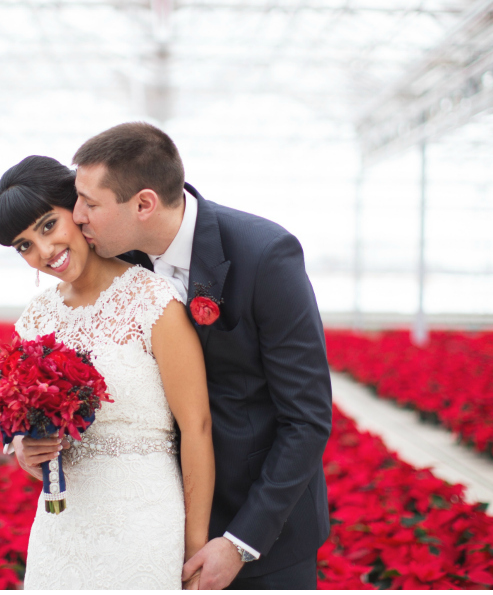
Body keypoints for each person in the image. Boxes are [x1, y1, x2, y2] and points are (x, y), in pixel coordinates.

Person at [50, 121, 334, 589]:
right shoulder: (118, 264)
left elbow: (307, 417)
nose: (76, 216)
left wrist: (241, 540)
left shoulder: (265, 255)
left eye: (89, 203)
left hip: (261, 532)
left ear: (144, 203)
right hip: (152, 528)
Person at [0, 155, 215, 590]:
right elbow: (22, 425)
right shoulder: (35, 318)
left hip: (143, 524)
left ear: (76, 210)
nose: (43, 252)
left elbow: (198, 427)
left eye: (47, 226)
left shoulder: (153, 300)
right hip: (61, 529)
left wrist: (194, 547)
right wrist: (24, 447)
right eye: (24, 245)